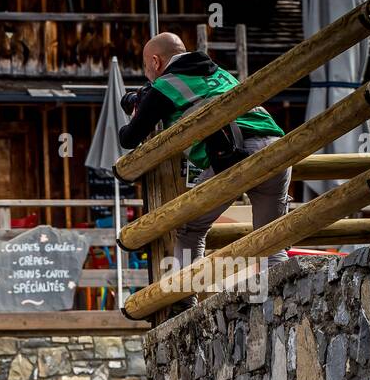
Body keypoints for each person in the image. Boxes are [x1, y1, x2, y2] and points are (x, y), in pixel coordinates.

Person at [118, 32, 291, 276]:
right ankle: (283, 301)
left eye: (147, 66)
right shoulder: (220, 73)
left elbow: (129, 138)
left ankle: (184, 301)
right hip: (279, 147)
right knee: (270, 240)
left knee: (189, 229)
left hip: (235, 156)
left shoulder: (165, 86)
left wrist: (138, 110)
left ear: (155, 62)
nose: (148, 72)